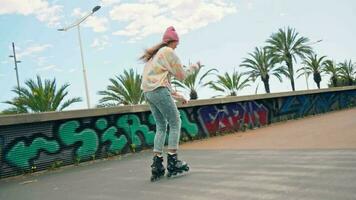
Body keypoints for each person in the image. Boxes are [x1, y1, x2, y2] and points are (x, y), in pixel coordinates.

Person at [140, 26, 200, 181]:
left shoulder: (154, 57)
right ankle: (173, 161)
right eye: (177, 42)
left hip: (148, 93)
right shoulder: (168, 52)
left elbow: (164, 83)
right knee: (175, 122)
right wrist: (194, 67)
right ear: (173, 41)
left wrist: (179, 97)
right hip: (158, 90)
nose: (177, 45)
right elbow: (182, 75)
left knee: (161, 126)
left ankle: (157, 165)